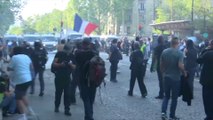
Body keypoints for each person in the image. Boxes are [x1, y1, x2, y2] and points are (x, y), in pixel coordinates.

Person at [160, 37, 186, 120]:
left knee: (166, 96)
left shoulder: (164, 52)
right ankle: (172, 115)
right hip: (175, 78)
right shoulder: (179, 53)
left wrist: (163, 73)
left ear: (171, 43)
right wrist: (184, 72)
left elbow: (161, 65)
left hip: (166, 77)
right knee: (174, 98)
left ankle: (163, 113)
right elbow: (180, 65)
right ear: (177, 44)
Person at [7, 47, 34, 120]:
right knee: (23, 95)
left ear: (15, 51)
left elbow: (9, 68)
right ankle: (30, 110)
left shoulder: (14, 57)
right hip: (28, 79)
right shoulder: (26, 56)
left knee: (18, 99)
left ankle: (23, 117)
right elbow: (31, 67)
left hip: (20, 80)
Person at [75, 38, 97, 120]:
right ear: (89, 44)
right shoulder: (94, 53)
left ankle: (89, 116)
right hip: (93, 79)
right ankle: (89, 115)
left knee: (86, 98)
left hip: (83, 79)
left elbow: (76, 63)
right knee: (91, 98)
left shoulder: (78, 54)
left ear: (83, 44)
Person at [52, 45, 75, 116]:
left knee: (67, 94)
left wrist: (70, 64)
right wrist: (60, 65)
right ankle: (56, 106)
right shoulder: (59, 54)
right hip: (59, 76)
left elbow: (74, 67)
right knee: (58, 93)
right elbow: (54, 64)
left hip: (67, 77)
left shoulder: (72, 56)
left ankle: (67, 109)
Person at [197, 40, 213, 120]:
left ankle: (209, 116)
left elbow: (199, 60)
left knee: (207, 99)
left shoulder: (208, 53)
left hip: (207, 81)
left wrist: (206, 49)